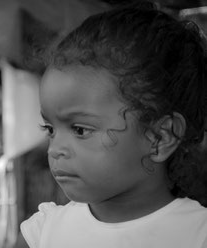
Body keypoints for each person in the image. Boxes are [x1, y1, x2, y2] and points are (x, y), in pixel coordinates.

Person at [19, 1, 207, 248]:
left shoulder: (197, 235)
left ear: (160, 137)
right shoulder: (42, 232)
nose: (54, 150)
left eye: (80, 130)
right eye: (50, 130)